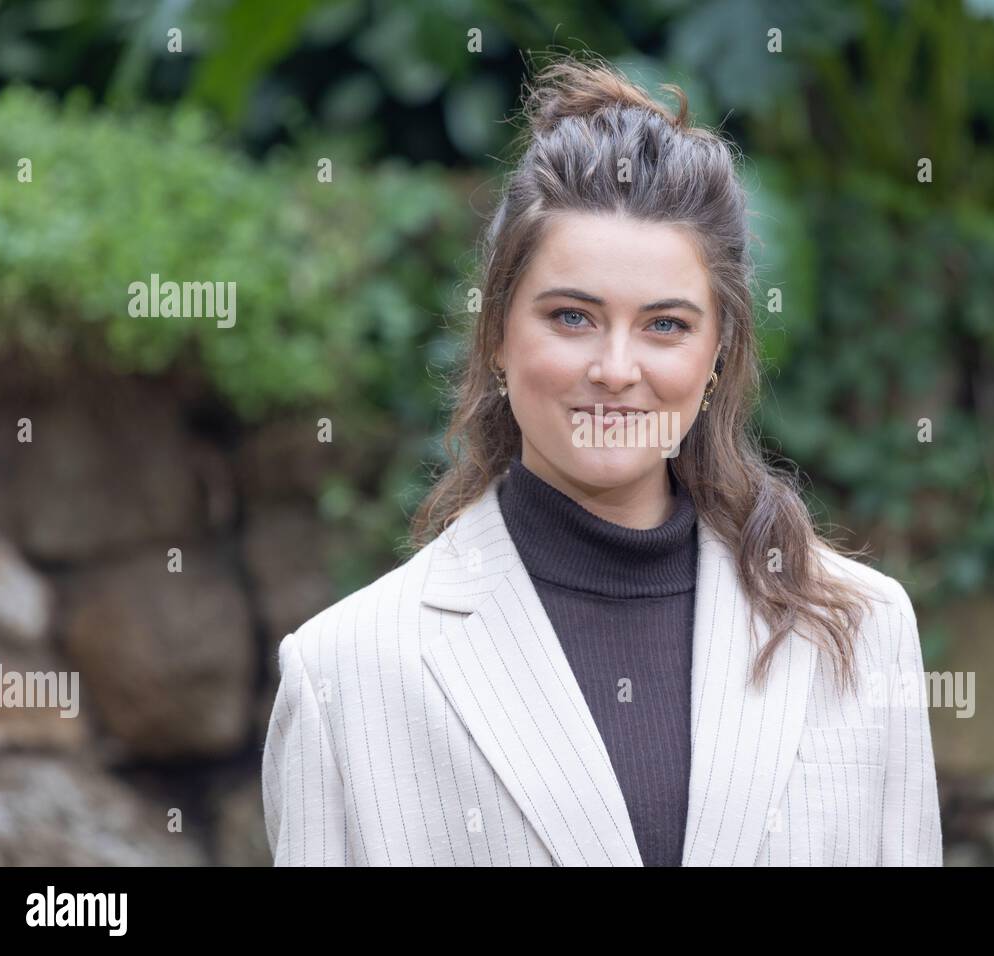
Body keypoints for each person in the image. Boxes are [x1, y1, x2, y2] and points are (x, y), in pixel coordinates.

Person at [261, 54, 942, 866]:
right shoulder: (345, 671)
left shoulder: (859, 628)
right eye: (573, 317)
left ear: (716, 355)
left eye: (665, 326)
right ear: (499, 336)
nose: (617, 369)